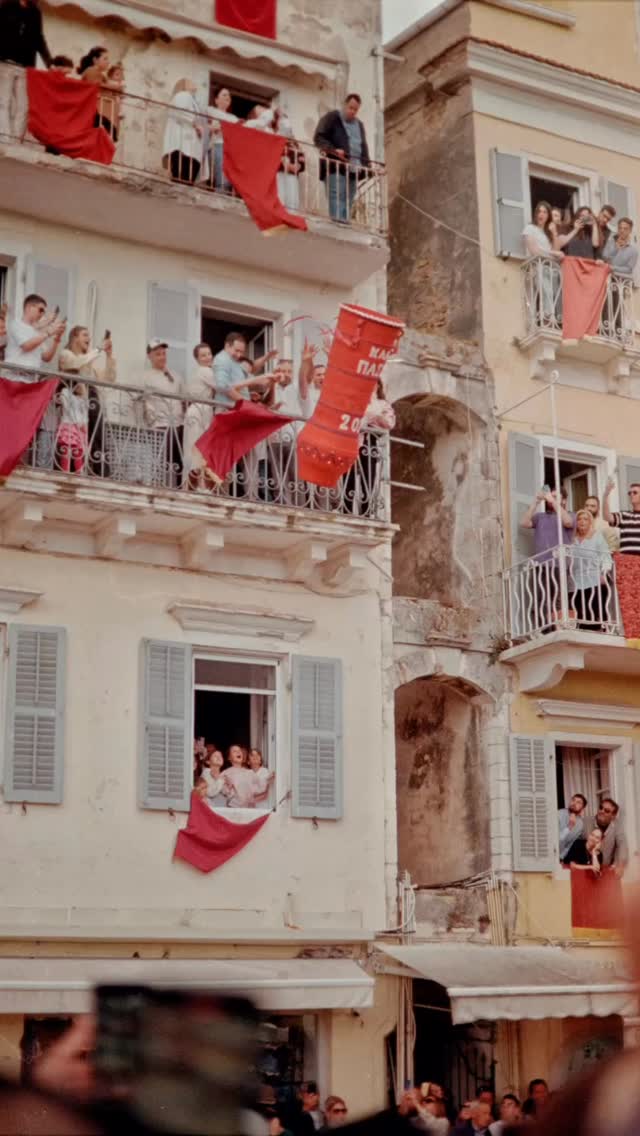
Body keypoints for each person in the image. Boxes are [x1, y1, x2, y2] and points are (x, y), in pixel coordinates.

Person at [59, 325, 116, 478]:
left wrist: (109, 356)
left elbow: (109, 378)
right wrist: (98, 349)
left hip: (91, 399)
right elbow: (76, 363)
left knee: (97, 437)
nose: (88, 338)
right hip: (74, 401)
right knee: (73, 440)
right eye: (85, 335)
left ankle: (101, 473)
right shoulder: (66, 354)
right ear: (74, 338)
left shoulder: (89, 361)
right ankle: (71, 472)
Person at [314, 94, 371, 223]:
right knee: (336, 195)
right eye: (350, 108)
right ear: (344, 105)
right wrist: (334, 150)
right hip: (336, 166)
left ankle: (344, 224)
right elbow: (319, 137)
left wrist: (368, 167)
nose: (352, 112)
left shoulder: (359, 125)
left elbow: (363, 146)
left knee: (348, 198)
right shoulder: (332, 117)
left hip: (353, 169)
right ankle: (337, 224)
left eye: (355, 110)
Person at [246, 104, 304, 211]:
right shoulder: (271, 134)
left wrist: (298, 166)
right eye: (281, 120)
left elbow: (301, 157)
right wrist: (282, 161)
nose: (284, 123)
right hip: (278, 172)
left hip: (292, 174)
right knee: (280, 199)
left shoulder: (293, 142)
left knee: (292, 203)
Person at [569, 508, 613, 628]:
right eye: (579, 519)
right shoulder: (572, 540)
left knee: (597, 614)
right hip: (577, 582)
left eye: (585, 519)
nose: (582, 521)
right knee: (583, 617)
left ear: (590, 522)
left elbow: (605, 556)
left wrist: (604, 573)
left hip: (595, 580)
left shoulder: (596, 537)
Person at [522, 202, 564, 326]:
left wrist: (554, 232)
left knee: (556, 296)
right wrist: (553, 254)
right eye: (539, 211)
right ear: (535, 214)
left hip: (551, 270)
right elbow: (534, 250)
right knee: (547, 294)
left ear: (548, 216)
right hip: (538, 267)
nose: (541, 214)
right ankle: (547, 323)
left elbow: (557, 249)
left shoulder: (547, 234)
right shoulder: (530, 228)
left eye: (545, 212)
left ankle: (556, 323)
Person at [4, 292, 65, 376]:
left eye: (44, 311)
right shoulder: (16, 324)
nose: (42, 314)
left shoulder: (37, 333)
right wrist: (49, 332)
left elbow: (46, 357)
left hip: (31, 379)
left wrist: (57, 337)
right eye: (41, 310)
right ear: (29, 308)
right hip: (14, 377)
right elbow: (26, 346)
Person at [184, 341, 216, 489]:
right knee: (197, 451)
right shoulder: (205, 371)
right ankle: (194, 486)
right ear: (197, 359)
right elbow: (222, 386)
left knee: (196, 450)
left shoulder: (202, 371)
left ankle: (196, 486)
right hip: (199, 411)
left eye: (209, 354)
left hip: (200, 411)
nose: (207, 357)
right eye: (203, 355)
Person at [163, 78, 204, 185]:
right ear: (184, 85)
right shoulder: (183, 95)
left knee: (186, 175)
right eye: (190, 81)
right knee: (183, 173)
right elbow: (181, 111)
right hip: (184, 144)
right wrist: (195, 124)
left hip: (189, 146)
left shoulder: (192, 99)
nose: (193, 82)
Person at [0, 0, 51, 68]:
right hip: (3, 59)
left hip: (24, 63)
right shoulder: (6, 5)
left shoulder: (35, 12)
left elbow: (38, 39)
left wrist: (50, 63)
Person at [206, 84, 238, 192]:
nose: (227, 97)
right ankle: (219, 195)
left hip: (231, 150)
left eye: (228, 95)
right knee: (221, 178)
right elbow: (201, 124)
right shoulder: (210, 110)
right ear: (216, 100)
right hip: (217, 145)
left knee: (228, 179)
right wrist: (212, 127)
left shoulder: (233, 118)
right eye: (224, 95)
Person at [585, 798, 628, 877]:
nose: (602, 811)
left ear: (613, 816)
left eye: (607, 810)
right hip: (586, 870)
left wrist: (620, 865)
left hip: (606, 871)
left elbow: (622, 845)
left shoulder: (617, 826)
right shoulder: (586, 822)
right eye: (601, 808)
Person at [55, 380, 88, 473]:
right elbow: (67, 408)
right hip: (68, 423)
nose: (81, 387)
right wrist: (77, 422)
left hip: (79, 426)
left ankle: (79, 471)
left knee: (78, 450)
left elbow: (84, 412)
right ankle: (65, 470)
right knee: (66, 448)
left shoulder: (81, 398)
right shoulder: (65, 391)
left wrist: (84, 423)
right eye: (80, 384)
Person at [557, 792, 587, 861]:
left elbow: (570, 845)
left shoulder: (580, 824)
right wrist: (569, 826)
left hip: (561, 858)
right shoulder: (558, 814)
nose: (574, 803)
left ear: (582, 808)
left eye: (578, 802)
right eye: (573, 800)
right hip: (549, 854)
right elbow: (556, 840)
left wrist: (561, 858)